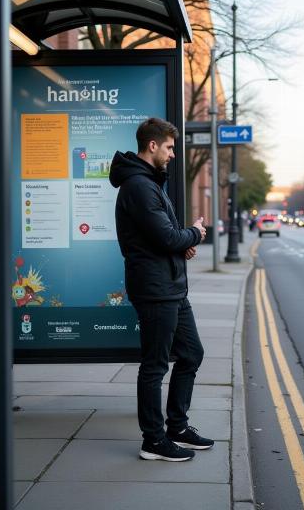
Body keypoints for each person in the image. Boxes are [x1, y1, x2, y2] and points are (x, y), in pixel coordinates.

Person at [109, 117, 215, 462]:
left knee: (191, 353)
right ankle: (153, 440)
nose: (172, 154)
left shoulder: (150, 183)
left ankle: (177, 427)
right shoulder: (139, 186)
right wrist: (194, 234)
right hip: (155, 289)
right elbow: (167, 236)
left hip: (170, 286)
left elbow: (164, 235)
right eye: (169, 147)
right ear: (152, 146)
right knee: (155, 366)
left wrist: (181, 241)